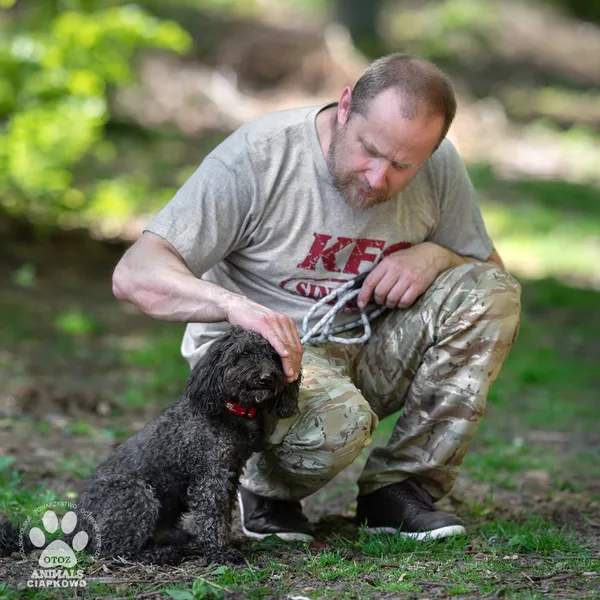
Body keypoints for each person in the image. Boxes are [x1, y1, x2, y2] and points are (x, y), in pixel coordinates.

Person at [112, 54, 521, 542]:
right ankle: (260, 489)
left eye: (402, 165)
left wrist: (437, 256)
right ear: (345, 105)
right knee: (337, 424)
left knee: (489, 294)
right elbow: (135, 274)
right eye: (369, 150)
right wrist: (233, 307)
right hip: (266, 366)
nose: (377, 177)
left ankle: (400, 490)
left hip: (366, 347)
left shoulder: (440, 167)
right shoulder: (260, 157)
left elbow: (491, 273)